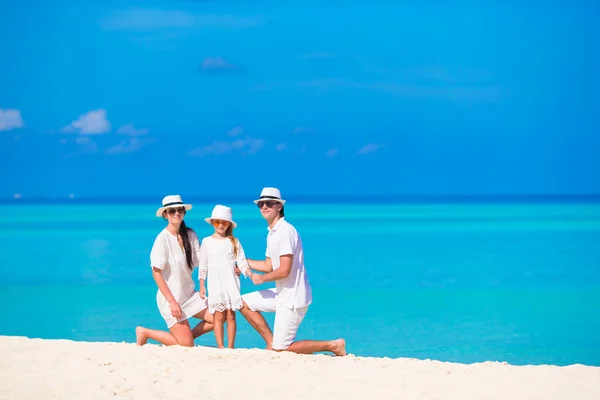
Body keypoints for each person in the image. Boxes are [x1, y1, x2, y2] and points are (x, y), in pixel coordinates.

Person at [240, 187, 346, 356]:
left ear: (279, 206)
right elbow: (269, 265)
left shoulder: (285, 231)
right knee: (243, 302)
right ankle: (271, 342)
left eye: (269, 203)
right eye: (261, 204)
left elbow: (284, 270)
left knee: (282, 350)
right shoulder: (272, 233)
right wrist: (242, 262)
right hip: (282, 294)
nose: (264, 207)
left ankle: (333, 345)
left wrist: (262, 279)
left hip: (294, 298)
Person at [135, 195, 214, 347]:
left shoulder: (190, 235)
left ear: (184, 212)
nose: (177, 213)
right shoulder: (162, 239)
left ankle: (185, 338)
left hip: (190, 295)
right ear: (165, 215)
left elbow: (202, 261)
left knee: (220, 316)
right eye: (172, 211)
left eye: (180, 210)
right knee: (187, 346)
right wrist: (172, 302)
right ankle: (145, 332)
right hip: (171, 299)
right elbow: (156, 273)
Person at [198, 205, 253, 349]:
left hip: (231, 282)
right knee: (219, 315)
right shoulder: (206, 242)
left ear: (229, 223)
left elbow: (241, 260)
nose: (221, 225)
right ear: (212, 223)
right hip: (215, 283)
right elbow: (203, 264)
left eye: (224, 222)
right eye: (217, 222)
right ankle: (220, 346)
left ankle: (231, 346)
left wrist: (248, 273)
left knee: (231, 315)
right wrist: (202, 285)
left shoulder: (234, 241)